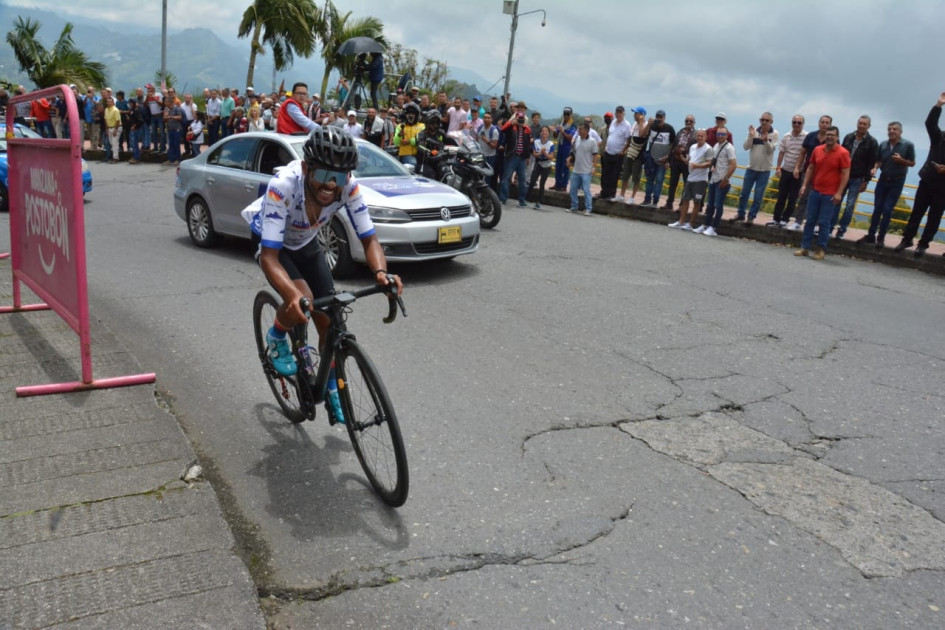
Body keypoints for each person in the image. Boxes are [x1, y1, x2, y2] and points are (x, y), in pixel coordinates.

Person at [239, 126, 402, 423]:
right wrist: (293, 296)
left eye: (339, 177)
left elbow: (369, 239)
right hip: (272, 245)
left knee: (329, 319)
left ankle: (332, 387)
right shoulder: (284, 186)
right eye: (323, 174)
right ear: (305, 168)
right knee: (305, 300)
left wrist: (381, 274)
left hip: (305, 240)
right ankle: (276, 336)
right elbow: (270, 258)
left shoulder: (348, 187)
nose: (330, 185)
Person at [893, 92, 945, 257]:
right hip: (928, 180)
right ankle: (907, 239)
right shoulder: (939, 138)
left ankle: (923, 244)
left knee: (934, 217)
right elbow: (930, 123)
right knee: (916, 212)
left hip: (943, 187)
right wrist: (938, 105)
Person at [795, 126, 850, 260]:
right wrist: (804, 185)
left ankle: (821, 249)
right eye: (828, 134)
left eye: (833, 135)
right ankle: (805, 247)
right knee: (810, 221)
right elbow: (810, 168)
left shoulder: (843, 153)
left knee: (824, 223)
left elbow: (845, 174)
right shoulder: (817, 150)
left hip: (830, 194)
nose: (830, 137)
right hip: (815, 191)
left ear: (837, 137)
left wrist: (839, 193)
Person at [859, 122, 915, 247]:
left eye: (894, 129)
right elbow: (878, 161)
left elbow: (912, 163)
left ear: (900, 132)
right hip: (883, 179)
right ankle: (871, 235)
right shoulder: (883, 144)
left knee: (888, 209)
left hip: (897, 180)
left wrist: (901, 161)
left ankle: (881, 238)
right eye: (889, 129)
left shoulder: (908, 145)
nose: (891, 131)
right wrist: (874, 168)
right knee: (877, 208)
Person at [833, 116, 879, 238]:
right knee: (835, 201)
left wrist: (866, 181)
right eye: (860, 123)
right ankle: (830, 227)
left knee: (849, 205)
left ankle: (842, 229)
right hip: (843, 175)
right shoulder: (849, 137)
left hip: (857, 178)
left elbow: (871, 162)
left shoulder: (872, 142)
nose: (861, 126)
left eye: (864, 124)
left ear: (868, 126)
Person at [735, 112, 779, 224]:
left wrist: (766, 141)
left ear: (771, 122)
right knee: (744, 193)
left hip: (764, 170)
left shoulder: (774, 134)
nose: (764, 122)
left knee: (758, 196)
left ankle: (751, 217)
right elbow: (745, 147)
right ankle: (740, 214)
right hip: (751, 168)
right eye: (762, 119)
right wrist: (750, 135)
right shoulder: (754, 131)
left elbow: (771, 150)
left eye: (767, 120)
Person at [669, 128, 712, 230]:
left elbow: (710, 163)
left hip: (701, 179)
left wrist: (698, 166)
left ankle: (691, 224)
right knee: (685, 199)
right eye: (698, 135)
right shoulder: (692, 147)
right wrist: (684, 160)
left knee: (696, 202)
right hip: (690, 177)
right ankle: (681, 221)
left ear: (706, 137)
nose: (699, 137)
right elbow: (689, 160)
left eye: (702, 136)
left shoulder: (708, 149)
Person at [769, 115, 807, 227]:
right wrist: (778, 167)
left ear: (803, 124)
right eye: (794, 122)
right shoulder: (786, 136)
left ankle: (785, 220)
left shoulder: (806, 137)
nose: (796, 124)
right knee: (781, 196)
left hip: (798, 172)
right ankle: (776, 219)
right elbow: (782, 152)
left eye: (799, 123)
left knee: (793, 198)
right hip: (786, 170)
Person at [702, 127, 737, 237]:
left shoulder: (729, 148)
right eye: (718, 134)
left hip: (722, 180)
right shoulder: (716, 146)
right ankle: (706, 225)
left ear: (727, 136)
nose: (720, 136)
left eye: (722, 134)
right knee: (710, 204)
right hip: (713, 178)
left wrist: (726, 179)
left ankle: (714, 227)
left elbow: (733, 164)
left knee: (718, 205)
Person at [642, 110, 676, 208]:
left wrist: (668, 158)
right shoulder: (651, 127)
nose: (659, 119)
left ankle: (655, 201)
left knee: (659, 180)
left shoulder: (669, 129)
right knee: (649, 179)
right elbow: (643, 134)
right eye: (657, 117)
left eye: (661, 117)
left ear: (664, 118)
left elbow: (673, 144)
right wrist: (648, 124)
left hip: (663, 160)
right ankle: (647, 199)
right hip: (651, 158)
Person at [599, 105, 633, 201]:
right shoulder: (613, 122)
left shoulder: (626, 125)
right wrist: (606, 147)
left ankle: (611, 193)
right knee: (605, 173)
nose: (618, 114)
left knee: (614, 175)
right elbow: (611, 135)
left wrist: (623, 150)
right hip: (608, 151)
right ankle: (604, 192)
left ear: (623, 113)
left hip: (618, 153)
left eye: (620, 112)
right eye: (617, 112)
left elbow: (628, 139)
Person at [499, 111, 532, 207]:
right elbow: (502, 130)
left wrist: (528, 156)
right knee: (506, 178)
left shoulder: (527, 129)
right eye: (519, 119)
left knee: (522, 180)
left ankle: (522, 200)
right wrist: (511, 123)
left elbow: (528, 144)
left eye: (522, 119)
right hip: (512, 155)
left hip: (522, 157)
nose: (520, 121)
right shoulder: (511, 128)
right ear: (515, 118)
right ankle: (503, 198)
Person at [665, 114, 696, 209]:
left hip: (686, 162)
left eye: (690, 121)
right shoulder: (680, 132)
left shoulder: (695, 134)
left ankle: (682, 205)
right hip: (675, 161)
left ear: (694, 123)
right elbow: (673, 146)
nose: (688, 123)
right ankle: (669, 203)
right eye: (687, 121)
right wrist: (668, 160)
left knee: (686, 185)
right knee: (672, 183)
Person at [568, 121, 599, 215]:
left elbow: (595, 155)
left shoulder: (592, 142)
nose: (578, 130)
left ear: (586, 130)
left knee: (586, 190)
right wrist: (569, 159)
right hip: (576, 169)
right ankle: (574, 206)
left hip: (586, 170)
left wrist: (594, 167)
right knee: (572, 190)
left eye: (580, 129)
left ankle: (588, 208)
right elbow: (574, 152)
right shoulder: (577, 139)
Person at [527, 125, 555, 209]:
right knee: (532, 180)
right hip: (538, 163)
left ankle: (540, 200)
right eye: (542, 131)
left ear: (548, 133)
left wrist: (545, 153)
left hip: (547, 164)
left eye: (546, 131)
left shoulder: (551, 144)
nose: (544, 132)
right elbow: (534, 154)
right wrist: (540, 153)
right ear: (540, 133)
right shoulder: (536, 142)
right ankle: (527, 197)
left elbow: (551, 157)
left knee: (542, 183)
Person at [552, 107, 577, 191]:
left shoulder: (573, 126)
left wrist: (563, 131)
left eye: (568, 114)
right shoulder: (560, 123)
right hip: (560, 146)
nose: (566, 116)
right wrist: (554, 131)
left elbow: (570, 138)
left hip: (567, 148)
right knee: (558, 166)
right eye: (564, 114)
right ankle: (557, 183)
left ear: (571, 115)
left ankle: (564, 185)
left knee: (565, 167)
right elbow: (555, 136)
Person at [393, 102, 424, 167]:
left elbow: (423, 139)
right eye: (408, 114)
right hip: (406, 154)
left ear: (416, 115)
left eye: (412, 114)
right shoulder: (400, 126)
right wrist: (399, 135)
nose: (410, 116)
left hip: (422, 155)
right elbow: (396, 142)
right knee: (413, 163)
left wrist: (410, 141)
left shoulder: (422, 126)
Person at [103, 96, 122, 163]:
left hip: (116, 127)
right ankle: (114, 156)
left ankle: (115, 158)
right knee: (111, 143)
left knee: (114, 143)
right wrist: (106, 129)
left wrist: (115, 130)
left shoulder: (115, 110)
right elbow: (105, 119)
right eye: (107, 101)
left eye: (110, 102)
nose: (108, 103)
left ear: (113, 102)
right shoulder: (106, 109)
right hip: (109, 127)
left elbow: (117, 120)